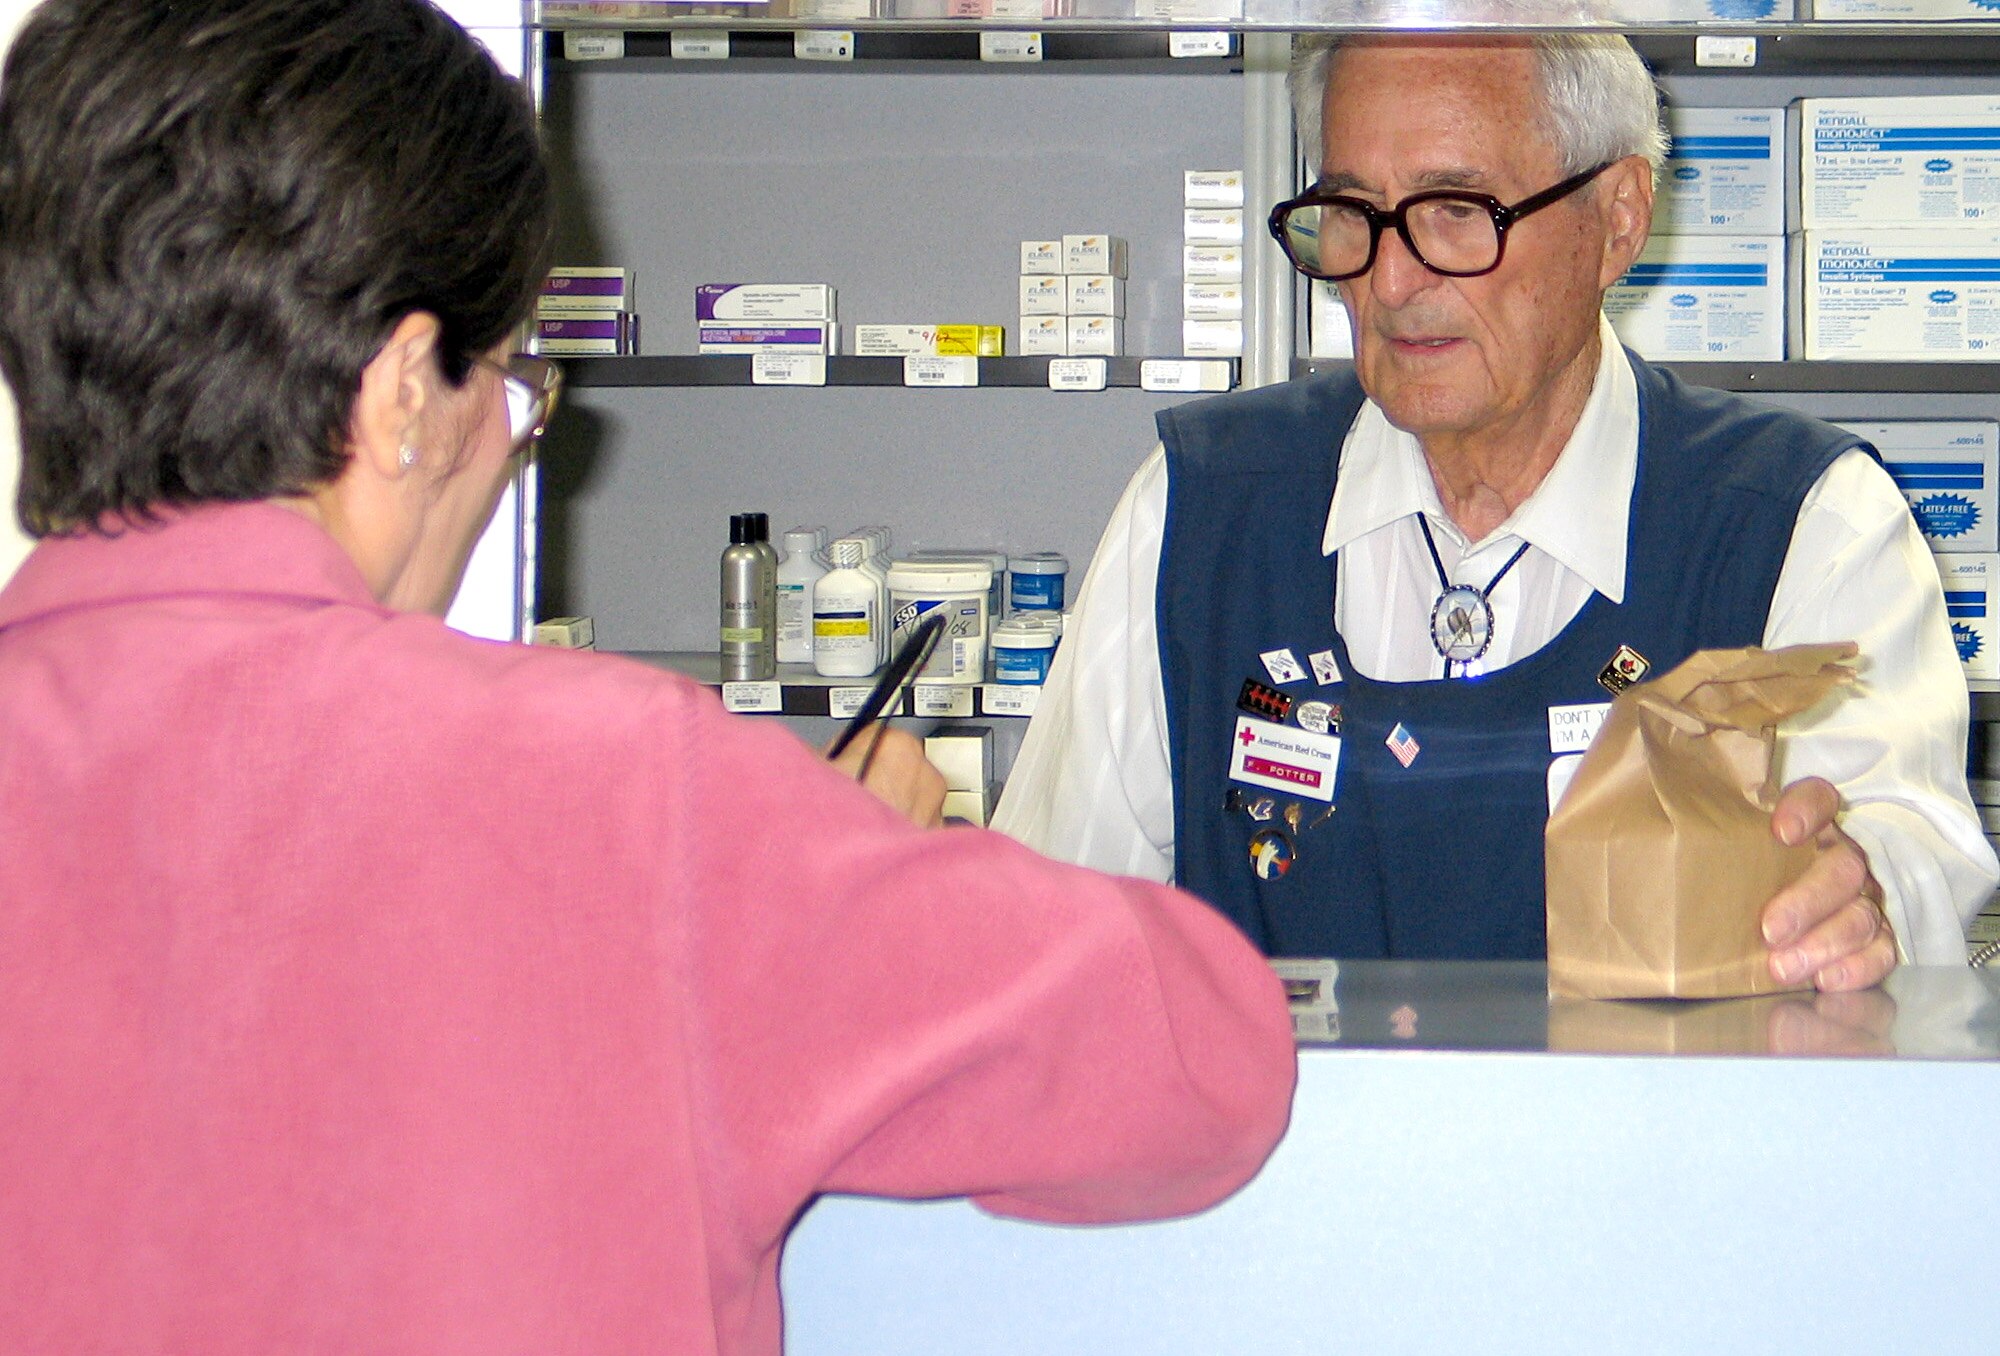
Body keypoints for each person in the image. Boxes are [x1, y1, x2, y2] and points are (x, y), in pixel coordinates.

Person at [0, 3, 1296, 1352]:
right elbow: (1204, 1064)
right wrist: (837, 870)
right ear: (399, 399)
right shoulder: (616, 796)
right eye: (512, 390)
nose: (506, 454)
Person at [995, 31, 1998, 992]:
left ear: (1615, 219)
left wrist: (1855, 897)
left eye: (1456, 211)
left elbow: (1905, 852)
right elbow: (1044, 923)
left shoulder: (1797, 521)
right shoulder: (1198, 510)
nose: (1390, 280)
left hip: (1653, 1158)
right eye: (1351, 212)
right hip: (1287, 1165)